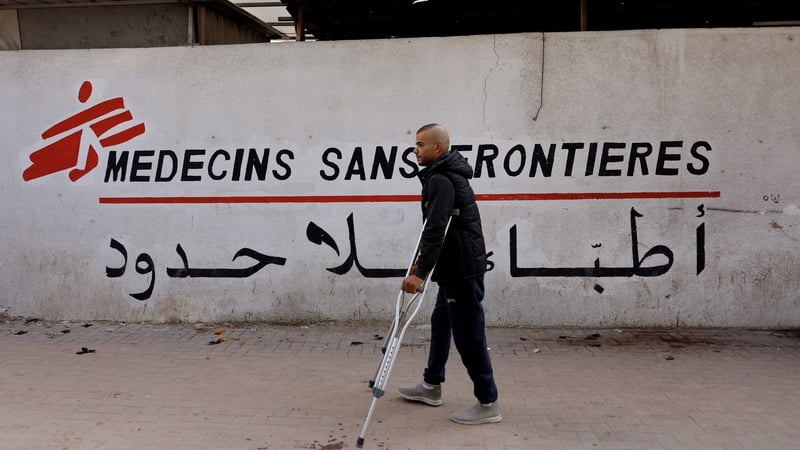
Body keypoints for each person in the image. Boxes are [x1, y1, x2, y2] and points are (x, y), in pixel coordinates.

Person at [397, 123, 501, 425]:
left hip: (460, 269)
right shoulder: (443, 175)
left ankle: (488, 401)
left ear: (438, 147)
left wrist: (420, 273)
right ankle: (431, 385)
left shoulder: (441, 179)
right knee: (440, 322)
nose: (415, 151)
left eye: (420, 145)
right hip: (454, 266)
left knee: (469, 335)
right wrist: (423, 265)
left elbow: (435, 228)